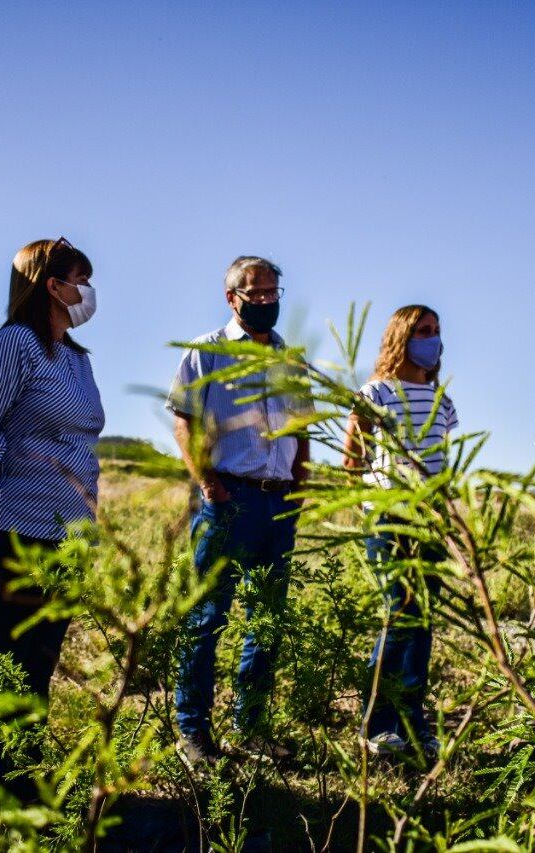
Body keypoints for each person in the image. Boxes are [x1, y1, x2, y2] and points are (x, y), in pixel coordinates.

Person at [0, 238, 103, 705]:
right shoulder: (13, 344)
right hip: (18, 531)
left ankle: (24, 772)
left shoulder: (77, 359)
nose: (89, 291)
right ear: (53, 287)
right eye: (81, 281)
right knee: (8, 664)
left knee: (40, 663)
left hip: (70, 533)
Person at [167, 256, 310, 767]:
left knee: (265, 621)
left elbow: (301, 430)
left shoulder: (290, 360)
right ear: (233, 297)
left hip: (277, 500)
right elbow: (184, 422)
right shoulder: (205, 353)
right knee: (207, 617)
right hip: (229, 498)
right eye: (257, 294)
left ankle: (251, 728)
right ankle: (194, 734)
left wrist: (301, 485)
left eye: (274, 292)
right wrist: (210, 485)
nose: (268, 301)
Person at [342, 305, 458, 757]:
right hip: (390, 517)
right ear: (401, 337)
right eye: (422, 331)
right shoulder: (375, 392)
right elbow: (352, 459)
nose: (432, 338)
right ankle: (376, 724)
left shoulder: (443, 402)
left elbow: (441, 458)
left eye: (436, 331)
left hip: (430, 517)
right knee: (399, 613)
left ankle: (413, 721)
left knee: (423, 617)